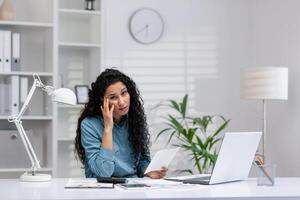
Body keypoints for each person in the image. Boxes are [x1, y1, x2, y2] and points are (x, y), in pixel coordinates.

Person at [75, 68, 167, 179]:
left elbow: (142, 160)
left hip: (131, 184)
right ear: (102, 100)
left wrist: (148, 171)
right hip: (102, 186)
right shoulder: (89, 125)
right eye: (113, 97)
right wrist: (108, 128)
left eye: (124, 93)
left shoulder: (134, 120)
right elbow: (103, 172)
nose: (122, 102)